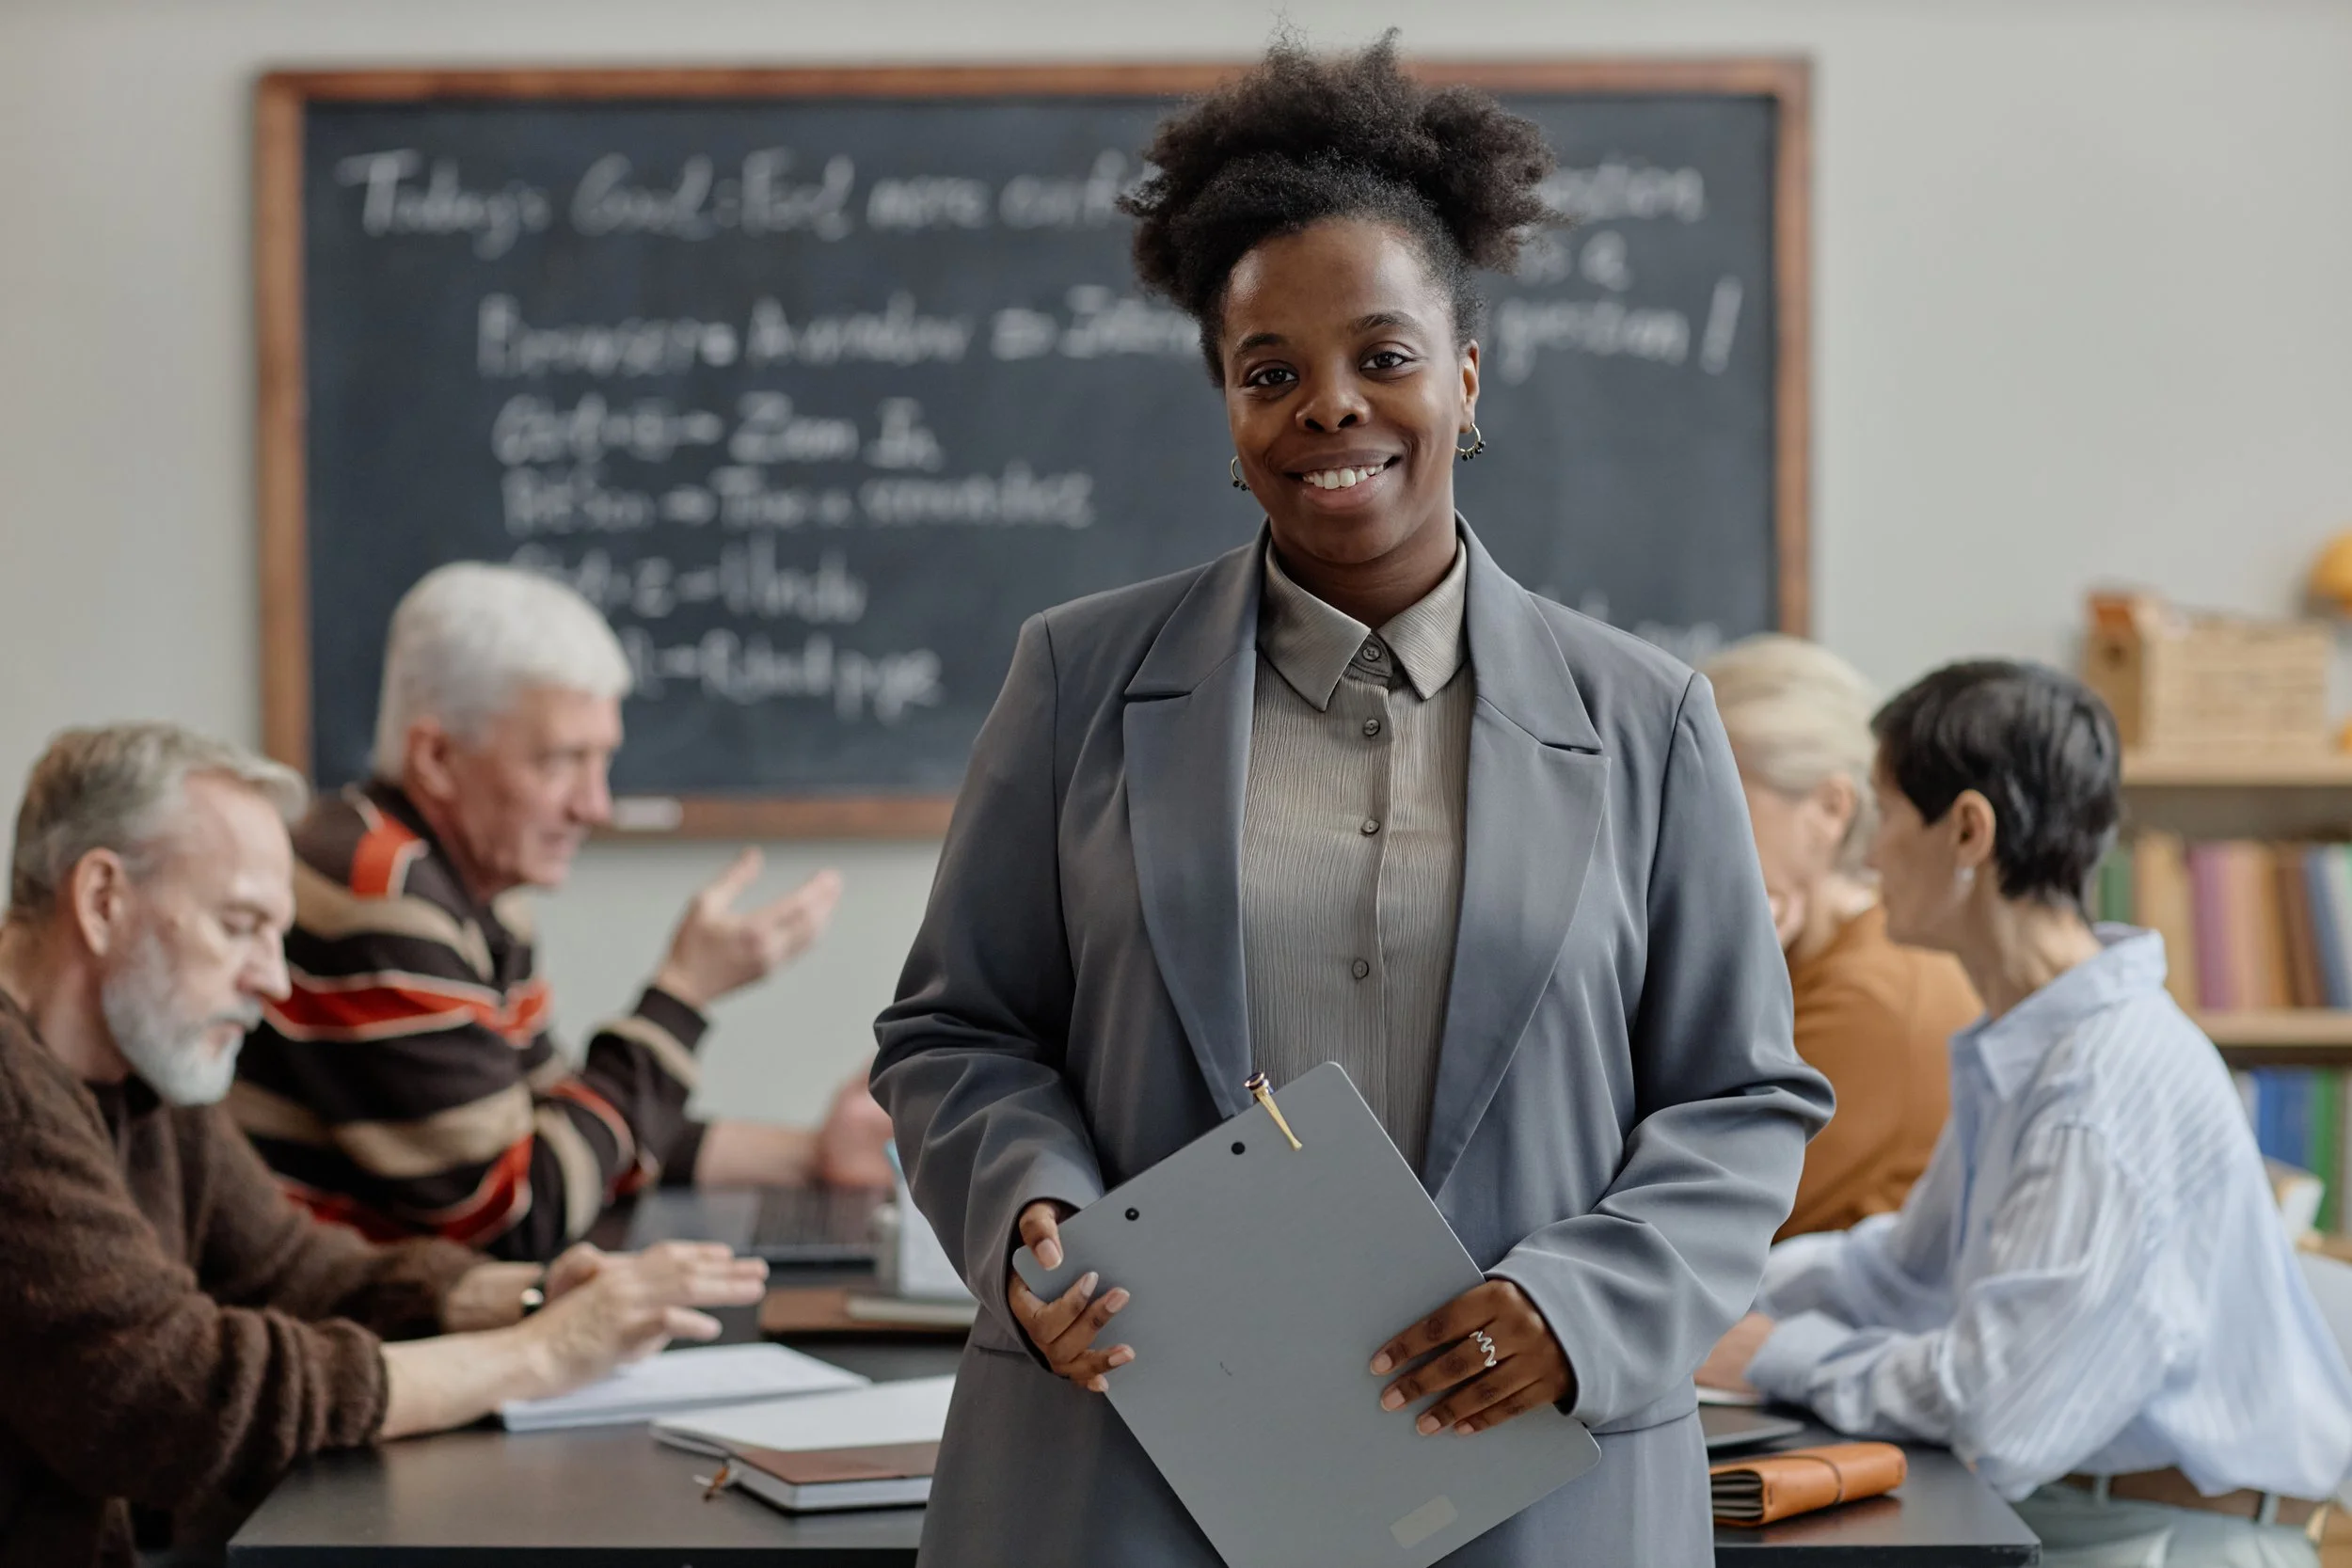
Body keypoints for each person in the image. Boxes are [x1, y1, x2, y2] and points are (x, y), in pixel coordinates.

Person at [871, 37, 1832, 1567]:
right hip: (1135, 1471)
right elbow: (957, 1031)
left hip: (1532, 1478)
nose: (1331, 406)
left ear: (1463, 375)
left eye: (1382, 355)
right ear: (1228, 410)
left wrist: (1579, 1310)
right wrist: (1029, 1212)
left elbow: (1741, 1094)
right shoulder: (1075, 682)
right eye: (1271, 372)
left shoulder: (1648, 717)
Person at [0, 723, 771, 1568]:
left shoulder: (141, 1062)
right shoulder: (17, 1095)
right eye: (239, 924)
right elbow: (167, 1395)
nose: (274, 977)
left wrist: (523, 1294)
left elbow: (294, 1268)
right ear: (104, 900)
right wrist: (538, 1352)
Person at [1699, 661, 2352, 1567]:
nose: (1872, 852)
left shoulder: (2101, 1086)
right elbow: (1899, 1269)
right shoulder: (2028, 1042)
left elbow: (1998, 1408)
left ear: (1969, 829)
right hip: (2086, 1516)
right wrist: (1707, 1297)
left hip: (2166, 1540)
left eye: (1887, 815)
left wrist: (1773, 1354)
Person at [232, 562, 893, 1262]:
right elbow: (522, 1213)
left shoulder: (472, 891)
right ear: (436, 756)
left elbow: (574, 1131)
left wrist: (812, 1154)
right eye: (561, 761)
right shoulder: (379, 895)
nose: (594, 805)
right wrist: (682, 993)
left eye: (602, 760)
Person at [1704, 634, 1979, 1239]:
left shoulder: (1873, 994)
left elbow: (1705, 1221)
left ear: (1830, 809)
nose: (1681, 824)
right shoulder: (1824, 957)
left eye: (1714, 795)